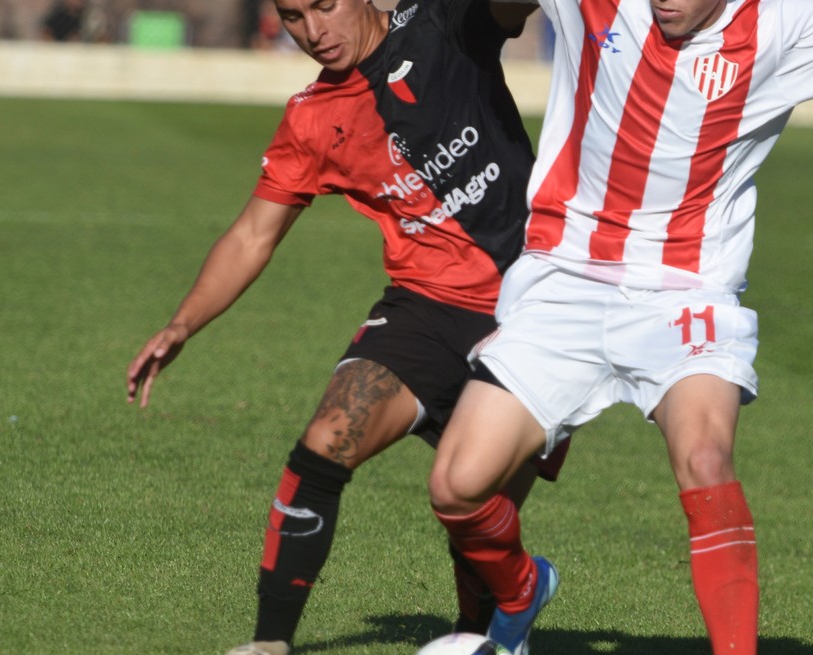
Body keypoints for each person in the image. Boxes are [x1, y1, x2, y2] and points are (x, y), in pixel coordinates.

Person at [424, 0, 813, 654]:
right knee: (455, 487)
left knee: (705, 458)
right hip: (564, 281)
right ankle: (520, 588)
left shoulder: (783, 26)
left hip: (686, 295)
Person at [123, 0, 562, 654]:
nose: (313, 32)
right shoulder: (312, 117)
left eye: (325, 6)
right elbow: (252, 235)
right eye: (295, 16)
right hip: (423, 304)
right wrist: (182, 323)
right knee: (326, 440)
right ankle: (271, 642)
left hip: (537, 304)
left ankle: (487, 633)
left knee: (474, 506)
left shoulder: (445, 23)